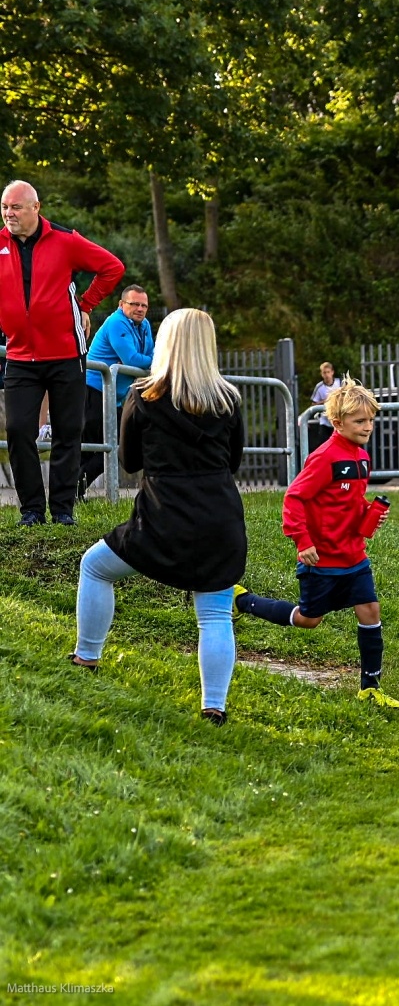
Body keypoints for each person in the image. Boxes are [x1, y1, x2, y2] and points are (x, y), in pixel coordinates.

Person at [70, 309, 244, 724]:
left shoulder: (143, 396)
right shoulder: (229, 399)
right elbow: (233, 462)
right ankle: (213, 707)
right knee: (215, 613)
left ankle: (86, 657)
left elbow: (129, 460)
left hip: (162, 516)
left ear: (164, 341)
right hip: (220, 518)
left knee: (95, 567)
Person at [233, 381, 399, 708]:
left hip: (354, 556)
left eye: (370, 420)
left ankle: (370, 687)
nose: (367, 427)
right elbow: (294, 497)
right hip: (322, 559)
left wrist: (369, 513)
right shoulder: (324, 457)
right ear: (338, 423)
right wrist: (303, 541)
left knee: (370, 611)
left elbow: (350, 501)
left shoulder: (363, 458)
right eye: (359, 421)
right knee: (309, 620)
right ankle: (244, 601)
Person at [0, 180, 125, 525]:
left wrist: (85, 304)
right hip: (20, 358)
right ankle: (31, 511)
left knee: (69, 432)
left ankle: (63, 511)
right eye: (5, 207)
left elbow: (112, 267)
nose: (9, 214)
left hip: (66, 354)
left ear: (35, 208)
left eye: (16, 207)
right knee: (19, 429)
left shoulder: (65, 242)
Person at [80, 285, 154, 496]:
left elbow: (150, 354)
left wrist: (144, 361)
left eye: (144, 305)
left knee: (117, 447)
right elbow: (133, 359)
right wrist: (144, 362)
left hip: (116, 396)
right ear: (122, 305)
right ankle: (71, 493)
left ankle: (74, 491)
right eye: (134, 304)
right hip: (94, 390)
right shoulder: (116, 322)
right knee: (93, 447)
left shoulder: (144, 324)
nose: (140, 309)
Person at [308, 361, 341, 453]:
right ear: (321, 374)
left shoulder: (340, 383)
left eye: (328, 372)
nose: (326, 375)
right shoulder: (319, 387)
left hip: (339, 420)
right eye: (324, 372)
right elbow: (313, 405)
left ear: (332, 372)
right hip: (325, 422)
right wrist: (325, 401)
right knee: (324, 446)